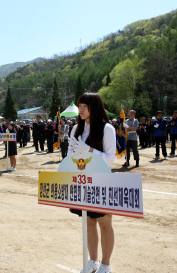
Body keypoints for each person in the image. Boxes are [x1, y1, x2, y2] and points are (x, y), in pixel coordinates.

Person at [67, 93, 116, 273]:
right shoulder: (75, 129)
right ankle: (93, 260)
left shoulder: (107, 129)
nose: (80, 109)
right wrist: (73, 156)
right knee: (87, 222)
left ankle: (105, 264)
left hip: (102, 181)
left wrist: (88, 150)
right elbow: (69, 155)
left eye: (84, 106)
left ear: (94, 108)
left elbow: (110, 159)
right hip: (82, 182)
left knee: (104, 223)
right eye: (80, 105)